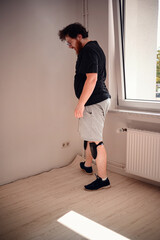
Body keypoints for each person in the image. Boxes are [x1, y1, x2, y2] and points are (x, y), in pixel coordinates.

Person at [58, 23, 111, 190]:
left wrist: (80, 104)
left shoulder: (88, 50)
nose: (69, 46)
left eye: (70, 42)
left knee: (97, 142)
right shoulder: (93, 48)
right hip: (95, 100)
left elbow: (92, 79)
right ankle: (88, 165)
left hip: (93, 102)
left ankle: (103, 180)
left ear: (79, 37)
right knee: (89, 136)